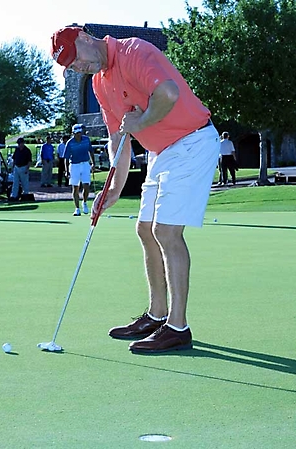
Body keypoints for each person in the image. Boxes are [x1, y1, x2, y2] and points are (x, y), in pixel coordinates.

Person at [51, 26, 220, 354]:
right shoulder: (100, 83)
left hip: (192, 141)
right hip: (162, 151)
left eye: (76, 60)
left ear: (86, 38)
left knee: (166, 232)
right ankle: (157, 315)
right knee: (145, 229)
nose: (78, 68)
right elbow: (119, 137)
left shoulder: (133, 52)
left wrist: (140, 124)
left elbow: (167, 94)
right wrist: (114, 188)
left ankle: (177, 327)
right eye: (71, 68)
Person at [64, 123, 95, 216]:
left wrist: (93, 163)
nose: (79, 134)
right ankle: (77, 208)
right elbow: (66, 158)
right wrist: (66, 171)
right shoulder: (70, 143)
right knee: (75, 187)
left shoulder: (86, 139)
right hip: (74, 165)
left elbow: (91, 151)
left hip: (85, 164)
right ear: (73, 133)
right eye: (77, 133)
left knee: (86, 185)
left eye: (80, 132)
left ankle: (84, 202)